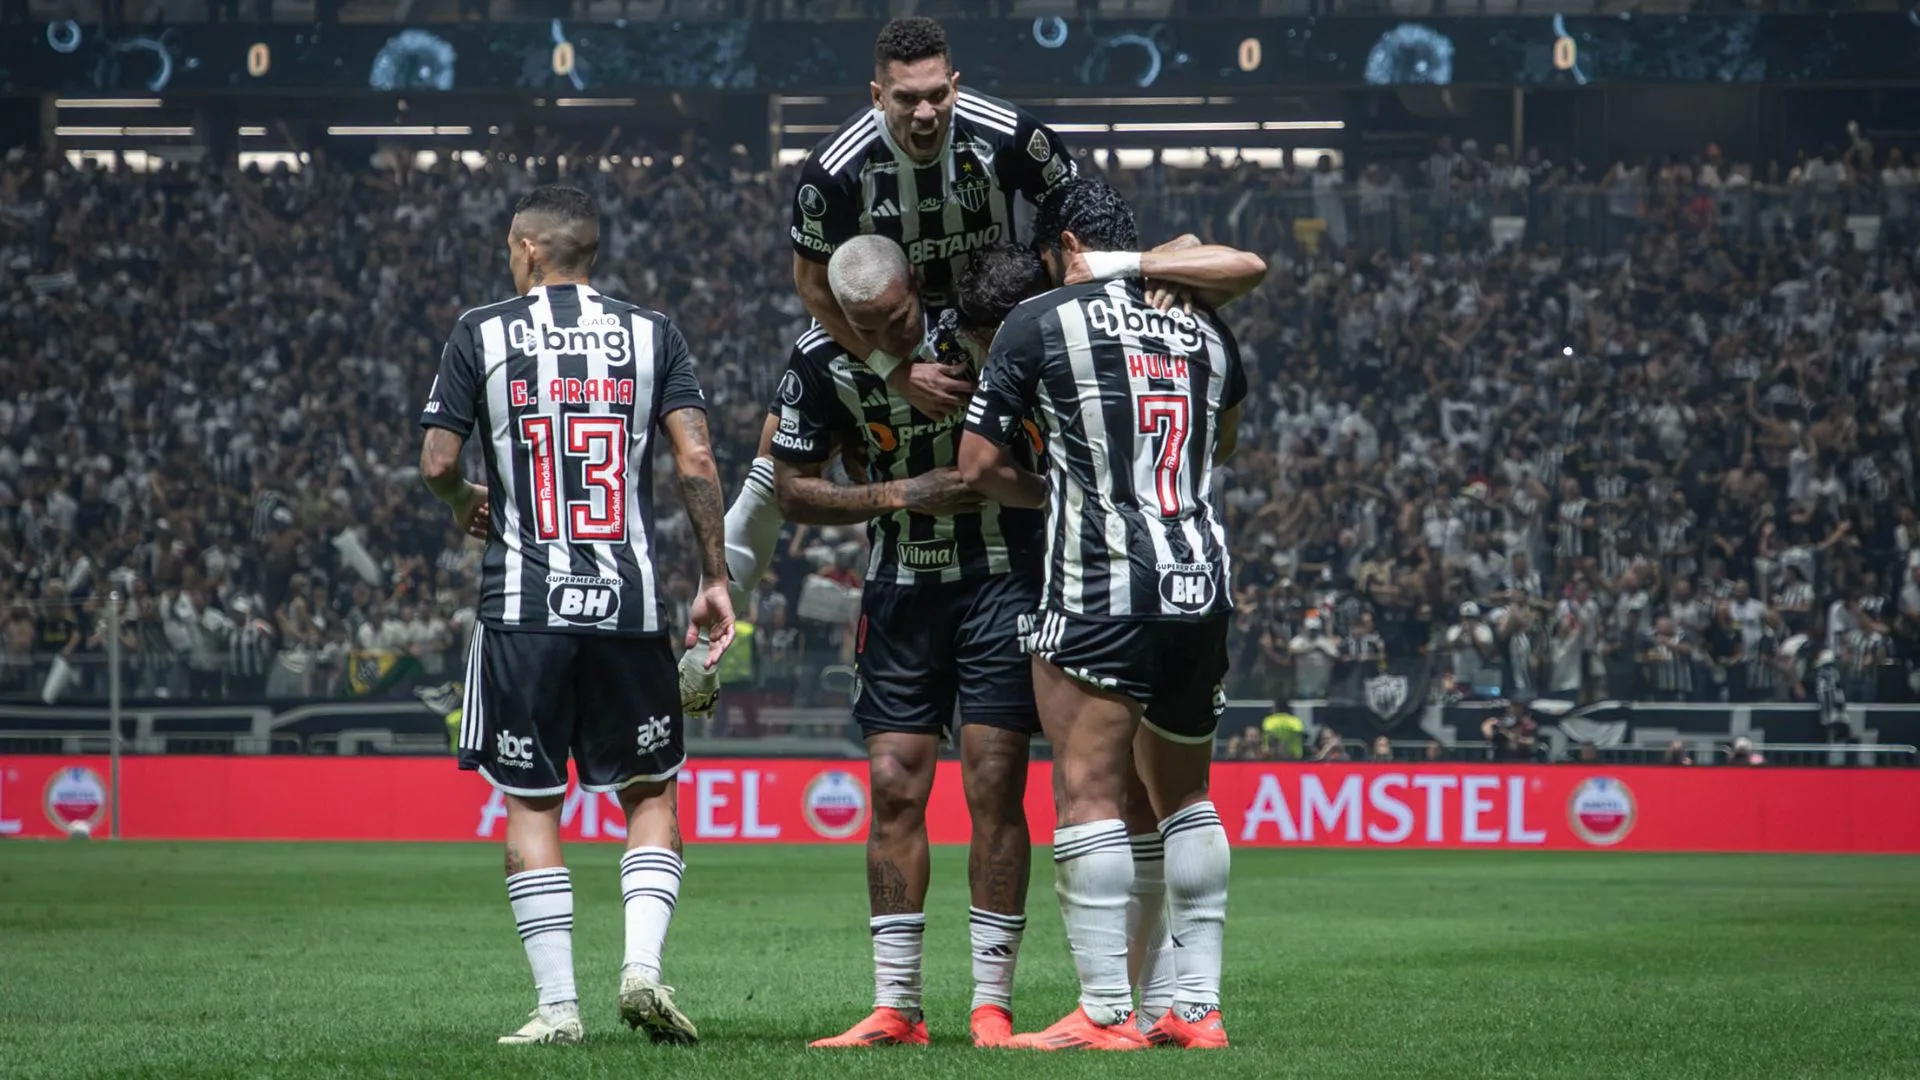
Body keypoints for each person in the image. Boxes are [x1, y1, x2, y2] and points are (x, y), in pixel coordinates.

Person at [417, 185, 735, 1047]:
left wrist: (463, 500)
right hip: (627, 607)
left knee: (531, 803)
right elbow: (696, 456)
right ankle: (642, 969)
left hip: (522, 608)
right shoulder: (652, 332)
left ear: (524, 249)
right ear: (591, 254)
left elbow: (438, 458)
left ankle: (559, 1009)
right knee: (650, 793)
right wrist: (714, 576)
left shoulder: (479, 331)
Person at [959, 178, 1261, 1051]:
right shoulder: (1206, 323)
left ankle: (1103, 1012)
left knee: (1087, 790)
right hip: (1198, 582)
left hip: (1097, 584)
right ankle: (1197, 1011)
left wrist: (1061, 490)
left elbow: (980, 464)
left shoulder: (1040, 320)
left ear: (1059, 249)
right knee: (1187, 800)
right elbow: (1226, 442)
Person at [715, 15, 1079, 681]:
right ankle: (711, 630)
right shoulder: (835, 168)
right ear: (877, 94)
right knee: (775, 468)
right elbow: (811, 283)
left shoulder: (1011, 136)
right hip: (895, 329)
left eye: (938, 93)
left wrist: (1041, 311)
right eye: (908, 97)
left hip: (990, 323)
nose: (926, 110)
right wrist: (892, 369)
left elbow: (1076, 217)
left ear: (955, 85)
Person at [772, 236, 1047, 1050]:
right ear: (843, 314)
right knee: (893, 785)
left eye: (899, 319)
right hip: (897, 593)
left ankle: (991, 1005)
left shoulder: (975, 332)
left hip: (1000, 581)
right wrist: (902, 493)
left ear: (913, 292)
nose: (891, 337)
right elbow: (790, 488)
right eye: (871, 326)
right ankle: (897, 1007)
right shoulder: (819, 359)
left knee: (995, 782)